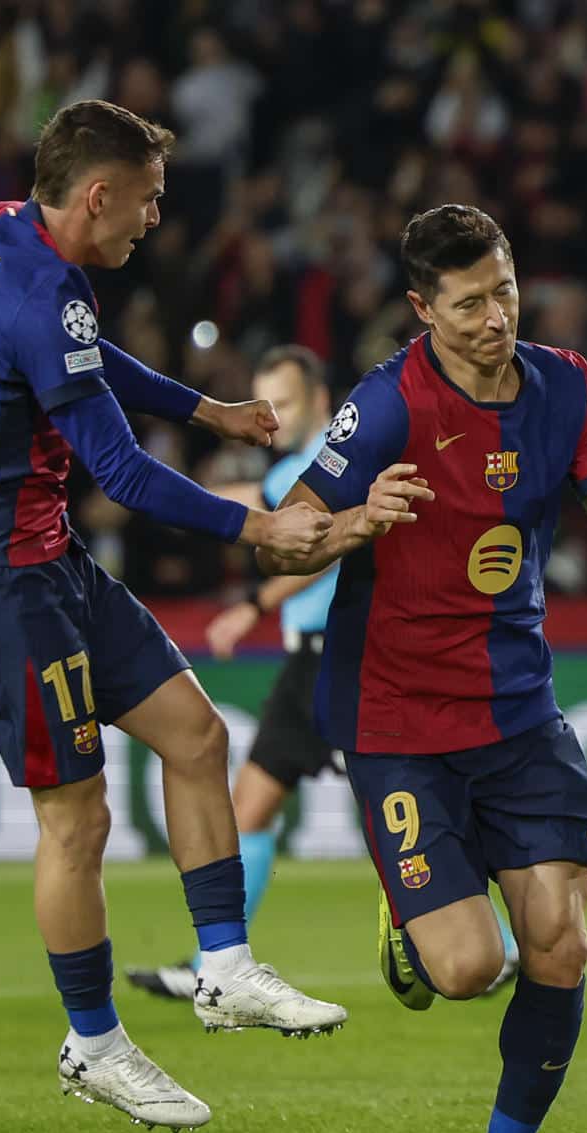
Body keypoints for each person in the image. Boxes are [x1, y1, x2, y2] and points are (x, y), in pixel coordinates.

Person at [0, 98, 349, 1133]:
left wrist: (207, 408)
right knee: (78, 816)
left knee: (196, 733)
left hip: (44, 557)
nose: (153, 219)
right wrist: (258, 530)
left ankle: (222, 967)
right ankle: (94, 1041)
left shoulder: (2, 229)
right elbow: (120, 472)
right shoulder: (52, 293)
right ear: (97, 194)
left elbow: (82, 354)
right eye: (145, 201)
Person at [262, 205, 587, 1133]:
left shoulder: (569, 387)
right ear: (421, 308)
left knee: (561, 947)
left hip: (520, 712)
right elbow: (279, 537)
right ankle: (412, 915)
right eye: (468, 303)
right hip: (397, 716)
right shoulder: (390, 402)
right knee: (465, 967)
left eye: (505, 290)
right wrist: (355, 521)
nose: (495, 317)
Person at [125, 343, 521, 1001]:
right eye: (265, 405)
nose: (273, 418)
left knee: (389, 819)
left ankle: (496, 945)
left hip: (338, 654)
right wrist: (139, 486)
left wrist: (250, 604)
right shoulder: (306, 469)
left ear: (317, 398)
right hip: (324, 656)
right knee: (267, 806)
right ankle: (213, 960)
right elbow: (251, 497)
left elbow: (316, 543)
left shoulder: (330, 464)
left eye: (282, 403)